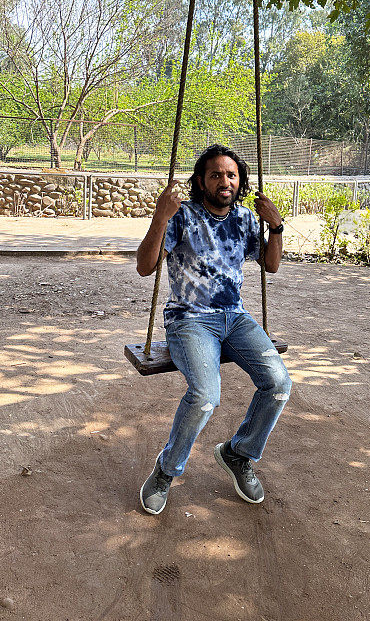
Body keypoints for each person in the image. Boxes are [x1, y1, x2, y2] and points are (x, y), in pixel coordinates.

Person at [136, 144, 292, 515]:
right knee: (206, 395)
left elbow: (270, 266)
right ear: (201, 182)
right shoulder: (182, 216)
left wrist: (276, 225)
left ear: (240, 182)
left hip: (234, 318)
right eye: (216, 174)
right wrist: (160, 216)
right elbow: (145, 267)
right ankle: (166, 470)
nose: (225, 181)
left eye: (231, 175)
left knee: (279, 384)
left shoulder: (243, 219)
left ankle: (238, 454)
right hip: (190, 319)